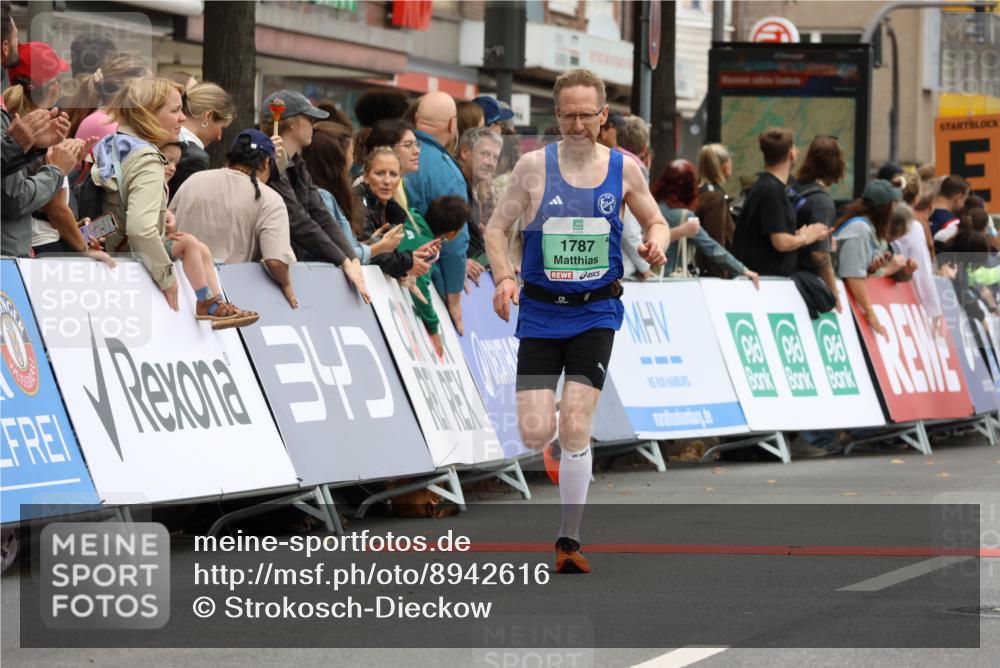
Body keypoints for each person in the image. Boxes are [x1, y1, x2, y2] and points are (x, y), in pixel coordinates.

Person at [485, 69, 669, 574]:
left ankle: (569, 539)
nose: (577, 124)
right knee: (533, 430)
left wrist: (657, 243)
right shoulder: (532, 168)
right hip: (541, 313)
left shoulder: (624, 170)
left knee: (575, 423)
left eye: (587, 115)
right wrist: (504, 278)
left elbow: (656, 220)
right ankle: (563, 450)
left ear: (603, 116)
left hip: (596, 312)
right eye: (567, 114)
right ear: (556, 115)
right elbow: (497, 229)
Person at [91, 77, 257, 329]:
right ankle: (212, 303)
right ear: (148, 113)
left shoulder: (114, 143)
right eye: (175, 110)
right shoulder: (146, 158)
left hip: (103, 252)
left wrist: (160, 214)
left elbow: (120, 205)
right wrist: (167, 276)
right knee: (190, 242)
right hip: (125, 261)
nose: (182, 117)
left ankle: (214, 302)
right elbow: (140, 230)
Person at [169, 129, 299, 308]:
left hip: (177, 290)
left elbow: (166, 230)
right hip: (227, 301)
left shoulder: (194, 180)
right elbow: (275, 260)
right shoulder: (270, 200)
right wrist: (286, 283)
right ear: (266, 162)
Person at [261, 89, 370, 302]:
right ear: (291, 123)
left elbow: (320, 214)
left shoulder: (297, 164)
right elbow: (299, 220)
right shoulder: (270, 163)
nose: (314, 125)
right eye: (309, 119)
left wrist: (351, 258)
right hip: (268, 272)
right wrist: (344, 261)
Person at [3, 42, 105, 259]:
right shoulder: (26, 131)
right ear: (51, 87)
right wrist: (84, 248)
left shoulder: (14, 123)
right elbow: (54, 209)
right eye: (57, 80)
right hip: (38, 250)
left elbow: (45, 207)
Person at [406, 91, 471, 333]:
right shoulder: (448, 172)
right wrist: (453, 297)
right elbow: (455, 240)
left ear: (416, 118)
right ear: (453, 124)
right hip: (425, 282)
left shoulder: (393, 151)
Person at [732, 128, 830, 277]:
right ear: (791, 154)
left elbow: (767, 238)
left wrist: (802, 234)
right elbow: (781, 242)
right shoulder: (771, 190)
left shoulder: (766, 187)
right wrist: (805, 237)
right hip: (766, 285)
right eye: (794, 147)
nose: (797, 151)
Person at [651, 159, 760, 286]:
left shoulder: (653, 208)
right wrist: (742, 270)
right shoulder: (685, 217)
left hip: (649, 278)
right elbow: (712, 248)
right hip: (673, 281)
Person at [833, 179, 915, 340]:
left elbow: (856, 269)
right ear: (884, 209)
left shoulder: (868, 228)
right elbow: (852, 276)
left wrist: (871, 269)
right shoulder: (860, 229)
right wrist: (870, 312)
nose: (895, 210)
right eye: (893, 205)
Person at [304, 121, 395, 266]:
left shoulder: (323, 194)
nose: (353, 160)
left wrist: (369, 243)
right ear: (338, 158)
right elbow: (337, 253)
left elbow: (343, 246)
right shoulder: (322, 197)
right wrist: (379, 247)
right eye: (351, 153)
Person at [788, 135, 847, 310]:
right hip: (805, 286)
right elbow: (819, 255)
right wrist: (834, 293)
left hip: (785, 279)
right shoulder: (822, 202)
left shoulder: (793, 188)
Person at [169, 81, 234, 194]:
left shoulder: (166, 139)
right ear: (208, 116)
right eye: (222, 128)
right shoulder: (195, 158)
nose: (219, 137)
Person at [68, 53, 152, 140]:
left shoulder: (111, 121)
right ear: (132, 88)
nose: (153, 93)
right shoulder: (105, 124)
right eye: (150, 86)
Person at [456, 126, 503, 275]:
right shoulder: (453, 186)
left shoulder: (471, 190)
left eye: (495, 157)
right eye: (485, 154)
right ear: (465, 152)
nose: (490, 163)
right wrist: (460, 261)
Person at [694, 143, 737, 277]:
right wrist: (721, 275)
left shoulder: (698, 192)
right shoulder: (714, 199)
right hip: (713, 276)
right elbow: (716, 242)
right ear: (724, 167)